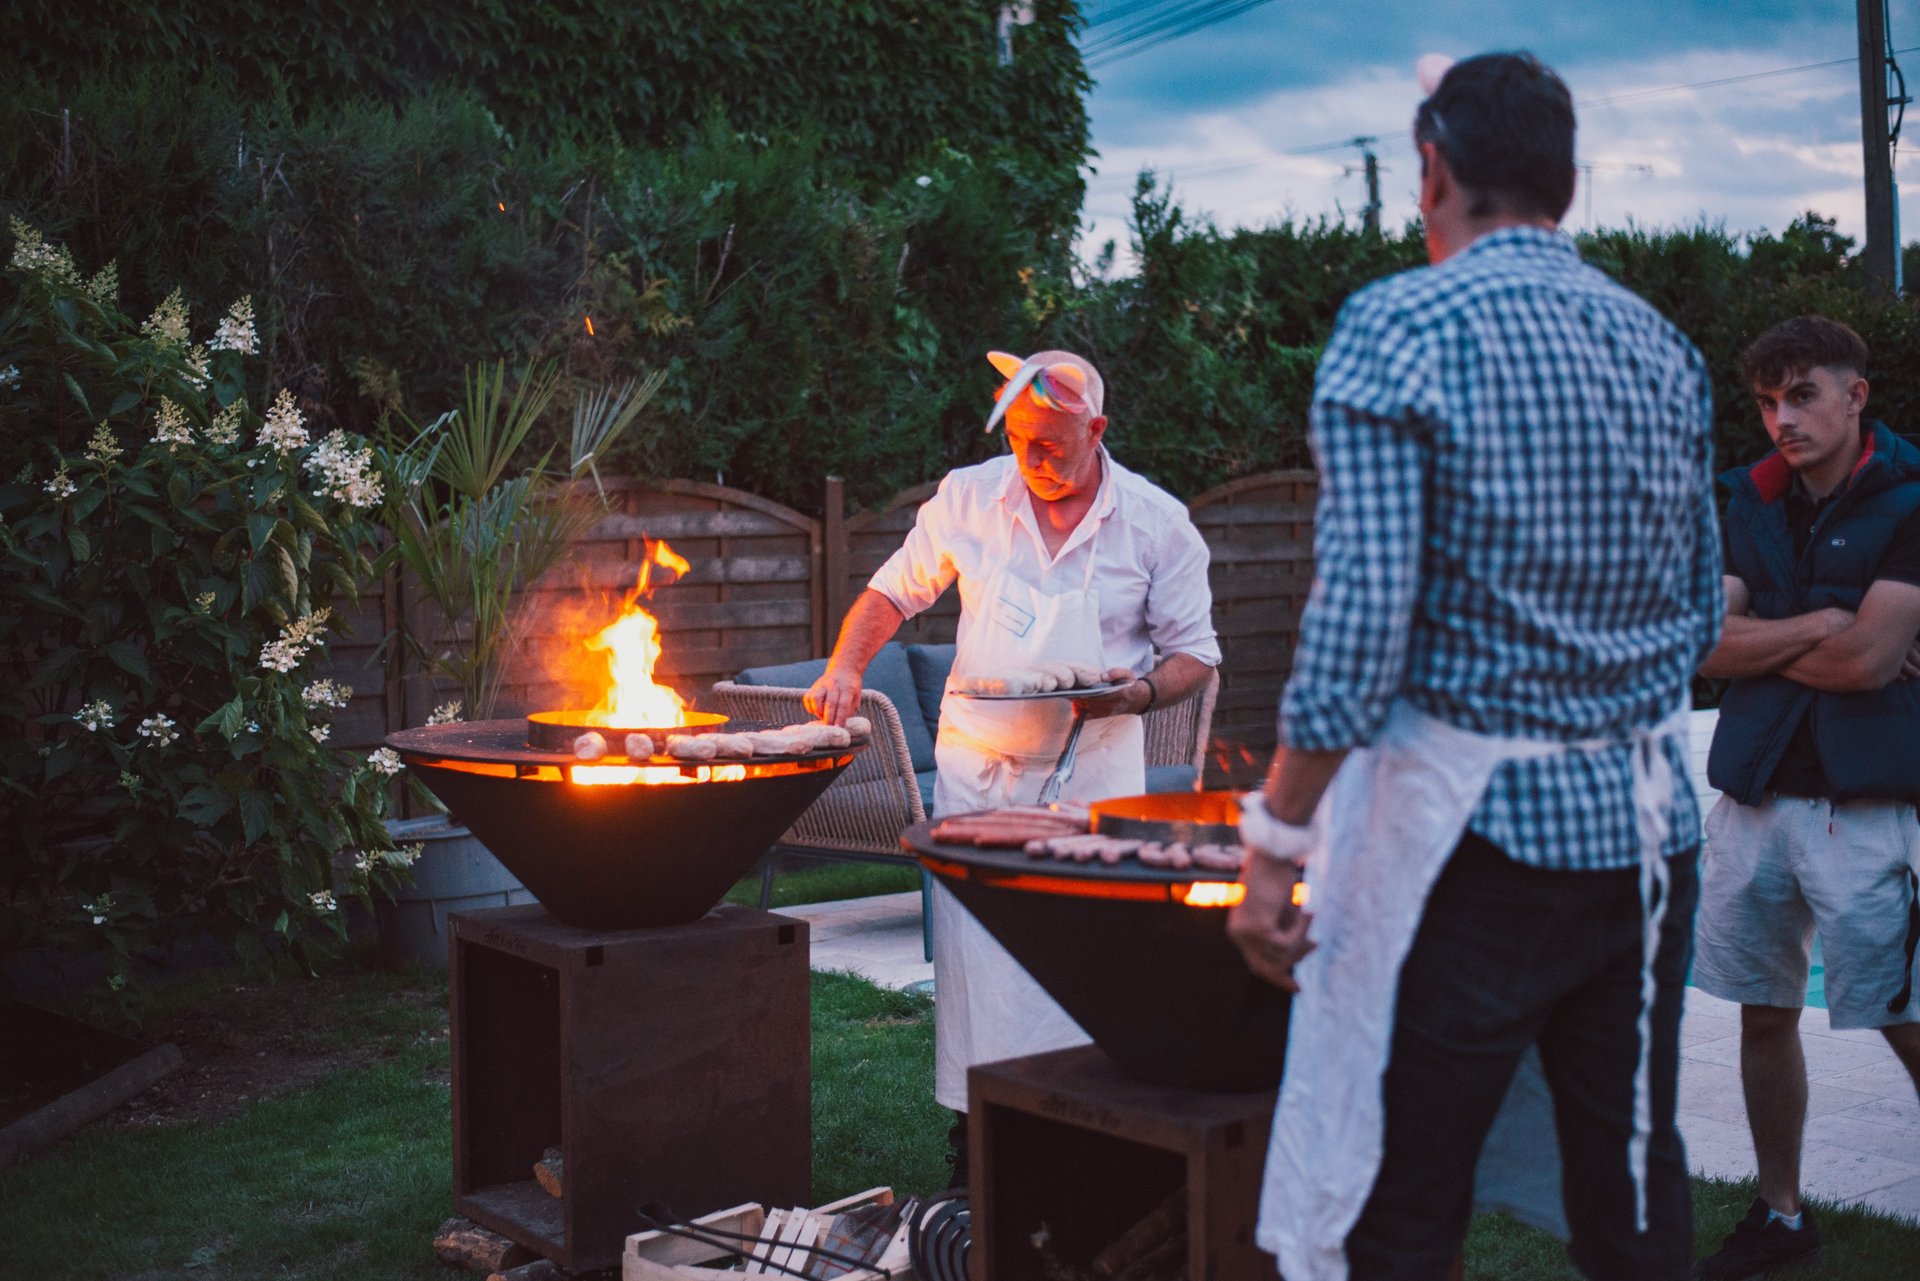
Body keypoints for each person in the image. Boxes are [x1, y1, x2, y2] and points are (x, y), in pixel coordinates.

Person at [1226, 52, 1723, 1281]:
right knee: (1632, 1183)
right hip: (1648, 834)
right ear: (1567, 182)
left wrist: (1275, 845)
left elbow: (1358, 628)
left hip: (1474, 849)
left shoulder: (1400, 323)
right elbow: (1699, 604)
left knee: (1403, 1201)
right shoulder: (1661, 343)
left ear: (1433, 170)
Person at [805, 348, 1222, 1182]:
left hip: (1096, 775)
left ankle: (1097, 1143)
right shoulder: (970, 498)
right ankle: (976, 1148)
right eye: (1022, 440)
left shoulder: (1157, 522)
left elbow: (1196, 655)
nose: (1033, 461)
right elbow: (893, 591)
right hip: (979, 775)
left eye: (1052, 445)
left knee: (1092, 961)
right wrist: (847, 663)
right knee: (980, 967)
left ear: (1096, 430)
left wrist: (1134, 696)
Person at [1689, 315, 1920, 1280]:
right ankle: (1782, 1215)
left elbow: (1870, 662)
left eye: (1804, 395)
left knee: (1906, 1018)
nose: (1783, 418)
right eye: (1768, 401)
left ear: (1856, 393)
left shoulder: (1910, 499)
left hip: (1860, 807)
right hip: (1753, 799)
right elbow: (1699, 644)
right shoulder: (1747, 499)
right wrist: (1822, 618)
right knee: (1761, 1009)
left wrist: (1775, 638)